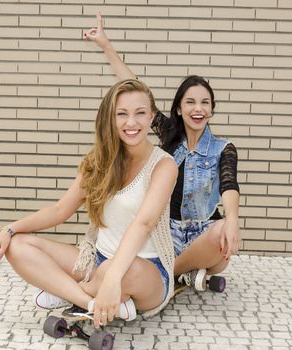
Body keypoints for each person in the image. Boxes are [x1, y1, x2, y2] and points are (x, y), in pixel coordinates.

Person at [0, 79, 178, 328]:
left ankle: (69, 290)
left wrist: (112, 278)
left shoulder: (164, 165)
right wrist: (9, 229)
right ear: (111, 118)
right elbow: (59, 210)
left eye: (140, 113)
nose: (131, 123)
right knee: (17, 245)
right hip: (97, 261)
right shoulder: (98, 161)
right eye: (122, 114)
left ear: (152, 116)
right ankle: (87, 301)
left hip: (146, 272)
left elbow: (143, 223)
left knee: (120, 271)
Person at [83, 13, 241, 292]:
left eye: (205, 103)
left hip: (202, 232)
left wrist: (232, 221)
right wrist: (107, 47)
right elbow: (137, 93)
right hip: (166, 234)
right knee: (142, 248)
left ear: (212, 110)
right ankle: (182, 273)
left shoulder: (223, 148)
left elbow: (229, 185)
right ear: (179, 108)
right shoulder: (170, 136)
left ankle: (175, 273)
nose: (198, 109)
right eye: (190, 102)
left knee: (222, 242)